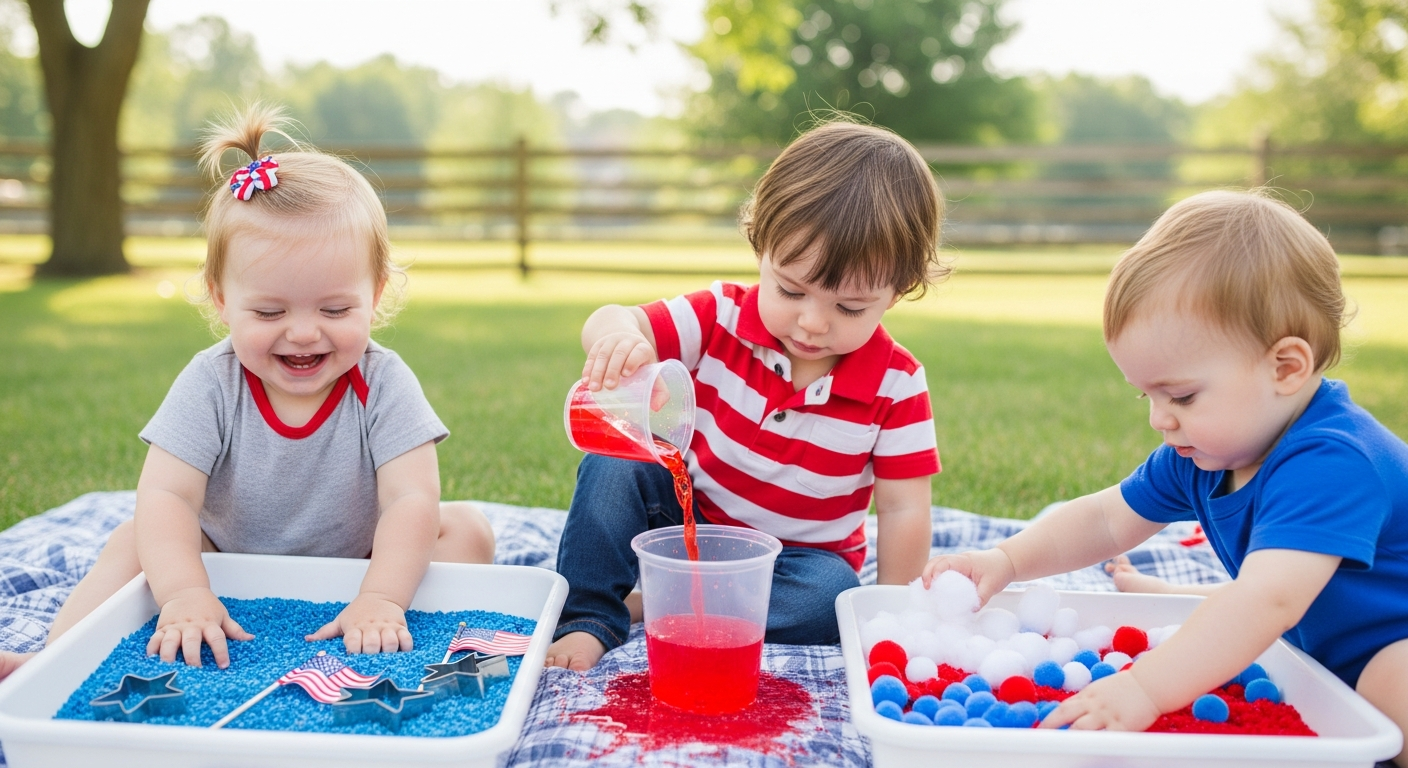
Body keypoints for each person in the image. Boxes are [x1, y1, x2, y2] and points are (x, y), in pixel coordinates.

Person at [0, 104, 495, 681]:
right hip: (226, 565)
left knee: (467, 531)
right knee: (135, 537)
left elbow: (411, 499)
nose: (305, 331)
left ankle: (415, 650)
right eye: (269, 311)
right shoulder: (213, 381)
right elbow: (168, 495)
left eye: (335, 309)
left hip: (360, 567)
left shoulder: (383, 383)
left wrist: (382, 595)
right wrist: (184, 591)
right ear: (220, 299)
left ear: (376, 293)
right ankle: (50, 663)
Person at [922, 190, 1408, 756]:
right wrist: (1006, 560)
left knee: (1388, 692)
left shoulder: (1333, 462)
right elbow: (1106, 519)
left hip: (1389, 640)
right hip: (1314, 646)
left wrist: (1147, 688)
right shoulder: (1207, 453)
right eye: (1146, 396)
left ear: (1286, 368)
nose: (1160, 419)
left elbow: (1266, 601)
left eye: (1181, 395)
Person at [546, 120, 945, 671]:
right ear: (761, 247)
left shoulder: (896, 384)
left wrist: (896, 615)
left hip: (797, 563)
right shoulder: (721, 317)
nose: (811, 323)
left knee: (832, 599)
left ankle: (653, 604)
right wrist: (618, 339)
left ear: (898, 292)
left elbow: (903, 509)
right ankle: (589, 615)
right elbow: (615, 317)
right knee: (615, 463)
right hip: (689, 518)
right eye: (790, 289)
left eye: (849, 308)